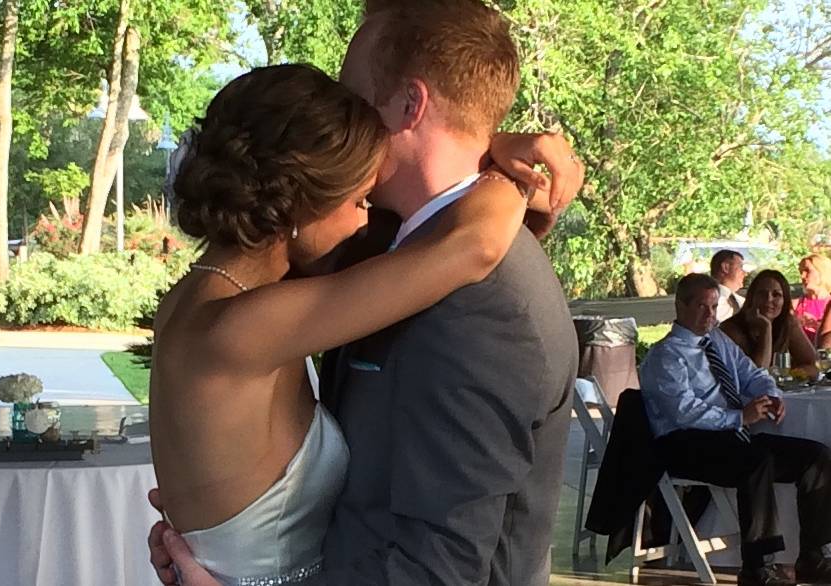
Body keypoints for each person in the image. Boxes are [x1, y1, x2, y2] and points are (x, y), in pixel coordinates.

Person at [149, 2, 582, 585]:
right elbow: (471, 244)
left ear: (410, 105)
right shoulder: (268, 308)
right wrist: (506, 175)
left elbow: (440, 563)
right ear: (298, 196)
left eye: (354, 99)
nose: (347, 124)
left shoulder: (478, 303)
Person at [640, 273, 831, 586]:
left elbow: (750, 373)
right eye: (702, 307)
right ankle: (757, 566)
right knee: (756, 461)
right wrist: (739, 417)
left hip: (727, 437)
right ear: (681, 305)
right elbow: (684, 411)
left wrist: (771, 394)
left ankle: (813, 556)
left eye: (714, 307)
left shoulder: (716, 340)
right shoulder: (666, 355)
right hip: (683, 443)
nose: (710, 315)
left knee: (815, 456)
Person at [720, 270, 818, 380]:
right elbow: (757, 376)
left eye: (776, 295)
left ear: (784, 301)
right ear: (751, 298)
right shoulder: (731, 329)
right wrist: (765, 328)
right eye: (762, 294)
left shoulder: (787, 323)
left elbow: (813, 365)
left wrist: (788, 376)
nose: (769, 299)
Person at [793, 253, 831, 345]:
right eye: (801, 272)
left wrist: (818, 327)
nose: (802, 276)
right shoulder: (794, 305)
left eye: (807, 271)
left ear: (822, 272)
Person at [710, 249, 746, 323]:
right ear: (725, 267)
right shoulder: (707, 301)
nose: (745, 273)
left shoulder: (743, 302)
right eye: (740, 267)